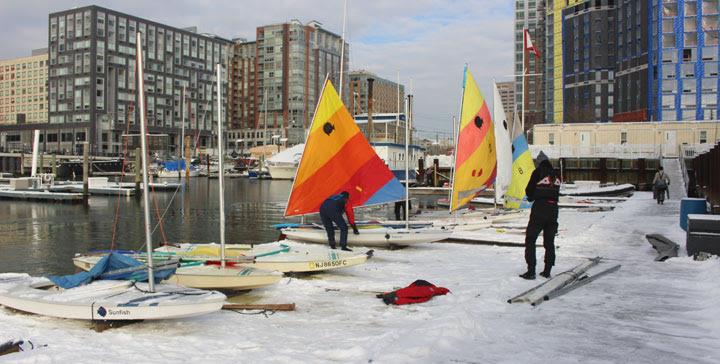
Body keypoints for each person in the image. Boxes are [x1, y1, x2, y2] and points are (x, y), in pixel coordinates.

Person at [520, 151, 561, 280]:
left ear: (538, 163)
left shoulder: (537, 172)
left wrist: (531, 197)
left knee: (531, 239)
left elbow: (529, 190)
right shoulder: (556, 175)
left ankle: (531, 271)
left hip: (540, 209)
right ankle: (547, 271)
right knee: (549, 241)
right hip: (554, 209)